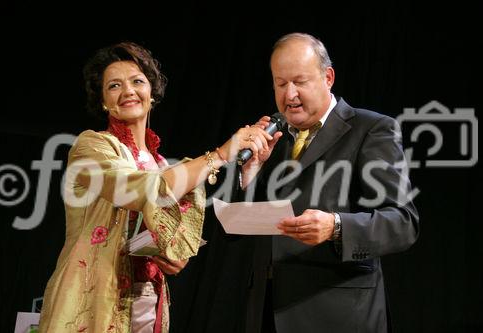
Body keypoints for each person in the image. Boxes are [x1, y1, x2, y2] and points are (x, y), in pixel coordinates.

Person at [38, 41, 272, 333]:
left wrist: (174, 257)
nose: (128, 91)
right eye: (114, 86)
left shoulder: (161, 162)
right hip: (94, 299)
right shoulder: (92, 146)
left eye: (137, 81)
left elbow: (173, 228)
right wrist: (222, 154)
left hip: (147, 299)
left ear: (152, 94)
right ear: (102, 101)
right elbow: (141, 189)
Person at [239, 33, 420, 332]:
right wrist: (251, 170)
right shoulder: (270, 138)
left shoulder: (371, 129)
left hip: (337, 313)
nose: (290, 94)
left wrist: (336, 227)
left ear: (328, 77)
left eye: (300, 81)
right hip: (268, 310)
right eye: (281, 83)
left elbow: (403, 222)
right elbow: (241, 229)